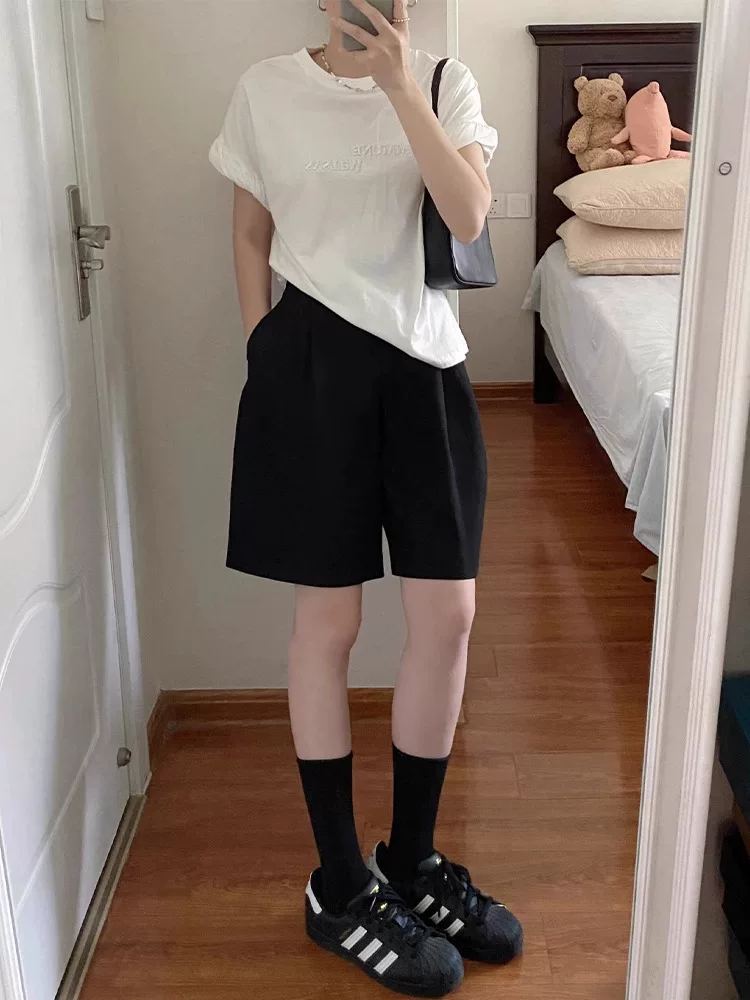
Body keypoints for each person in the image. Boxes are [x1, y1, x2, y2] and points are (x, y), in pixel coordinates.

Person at [209, 0, 522, 993]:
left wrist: (398, 87)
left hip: (427, 365)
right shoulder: (266, 89)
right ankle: (341, 883)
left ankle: (412, 860)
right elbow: (250, 230)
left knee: (448, 615)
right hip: (309, 367)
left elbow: (468, 217)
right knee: (329, 622)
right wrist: (261, 346)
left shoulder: (445, 82)